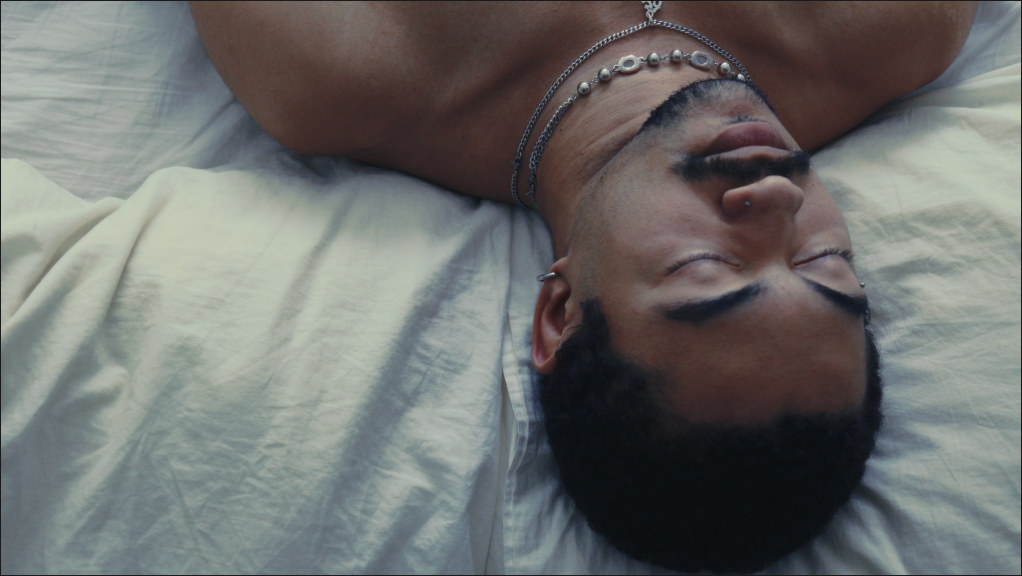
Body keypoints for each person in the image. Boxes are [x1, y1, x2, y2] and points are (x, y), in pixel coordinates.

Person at [189, 2, 978, 572]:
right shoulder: (897, 24)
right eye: (822, 262)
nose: (776, 199)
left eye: (705, 268)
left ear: (561, 312)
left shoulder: (332, 70)